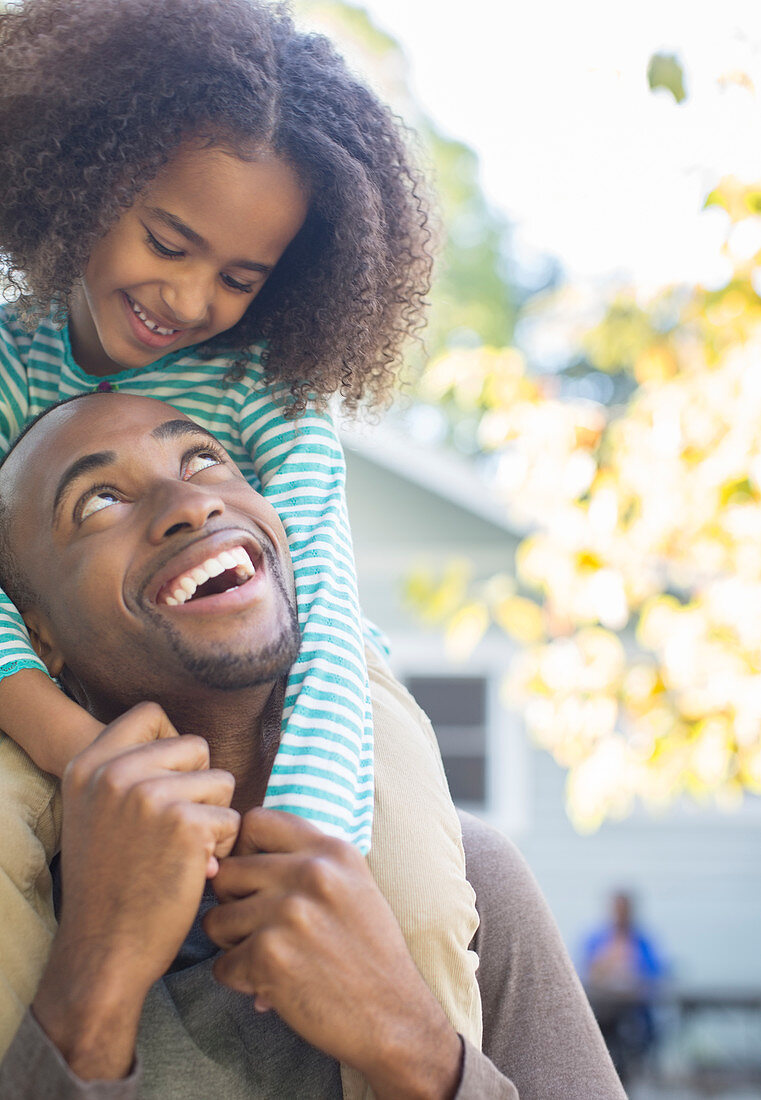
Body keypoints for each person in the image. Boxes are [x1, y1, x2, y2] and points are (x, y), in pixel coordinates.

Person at [0, 0, 483, 1062]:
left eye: (239, 277)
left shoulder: (273, 385)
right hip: (51, 688)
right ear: (81, 173)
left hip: (321, 675)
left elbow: (316, 581)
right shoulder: (8, 360)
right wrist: (70, 741)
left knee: (406, 894)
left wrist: (305, 834)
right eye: (168, 242)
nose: (187, 296)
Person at [0, 392, 627, 1098]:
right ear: (36, 638)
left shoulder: (464, 885)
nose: (191, 503)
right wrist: (96, 973)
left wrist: (411, 1042)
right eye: (97, 502)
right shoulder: (19, 916)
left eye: (205, 459)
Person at [581, 891, 666, 1085]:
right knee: (603, 1044)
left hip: (634, 1012)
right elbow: (585, 970)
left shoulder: (642, 941)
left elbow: (655, 973)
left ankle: (625, 1079)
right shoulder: (598, 939)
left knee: (628, 1047)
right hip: (603, 1010)